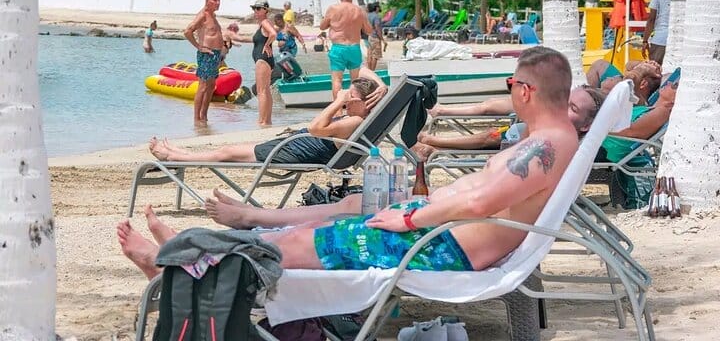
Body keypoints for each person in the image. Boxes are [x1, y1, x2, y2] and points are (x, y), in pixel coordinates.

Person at [119, 47, 579, 276]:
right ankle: (183, 253)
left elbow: (479, 202)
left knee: (300, 244)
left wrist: (409, 217)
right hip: (442, 238)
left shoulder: (544, 147)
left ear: (525, 90)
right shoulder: (553, 139)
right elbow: (483, 197)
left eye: (510, 85)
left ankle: (170, 263)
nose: (509, 92)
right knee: (304, 233)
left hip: (440, 248)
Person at [148, 75, 385, 164]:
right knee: (232, 150)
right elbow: (363, 68)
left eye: (351, 97)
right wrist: (382, 87)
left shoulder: (355, 122)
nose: (346, 99)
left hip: (297, 150)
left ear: (365, 103)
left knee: (227, 152)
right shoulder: (359, 118)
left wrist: (337, 102)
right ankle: (181, 154)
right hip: (297, 145)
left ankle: (174, 157)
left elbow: (315, 128)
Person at [414, 85, 606, 160]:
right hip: (516, 136)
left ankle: (433, 143)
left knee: (489, 137)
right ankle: (434, 147)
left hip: (514, 144)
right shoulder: (565, 131)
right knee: (491, 134)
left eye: (573, 108)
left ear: (586, 126)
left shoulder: (563, 143)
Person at [597, 79, 678, 208]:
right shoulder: (648, 107)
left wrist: (596, 128)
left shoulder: (662, 112)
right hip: (603, 143)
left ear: (674, 100)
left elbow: (631, 132)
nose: (668, 83)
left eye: (674, 86)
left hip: (606, 147)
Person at [321, 0, 373, 100]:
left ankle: (338, 109)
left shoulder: (333, 9)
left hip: (338, 48)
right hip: (354, 48)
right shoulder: (359, 10)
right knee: (355, 82)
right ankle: (355, 106)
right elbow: (369, 30)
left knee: (337, 80)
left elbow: (322, 26)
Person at [184, 0, 224, 126]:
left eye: (219, 0)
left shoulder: (213, 15)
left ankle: (204, 116)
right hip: (207, 54)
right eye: (215, 0)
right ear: (207, 1)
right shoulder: (203, 15)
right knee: (203, 86)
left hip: (215, 54)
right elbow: (188, 31)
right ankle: (196, 119)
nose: (218, 3)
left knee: (211, 86)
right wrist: (199, 46)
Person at [642, 0, 672, 65]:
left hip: (660, 39)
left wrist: (645, 41)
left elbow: (652, 19)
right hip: (681, 40)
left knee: (655, 70)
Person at [366, 2, 387, 71]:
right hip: (375, 37)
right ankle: (372, 71)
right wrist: (382, 39)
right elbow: (378, 28)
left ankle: (369, 70)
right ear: (377, 8)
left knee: (369, 54)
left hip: (370, 36)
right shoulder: (376, 17)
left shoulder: (368, 15)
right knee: (375, 56)